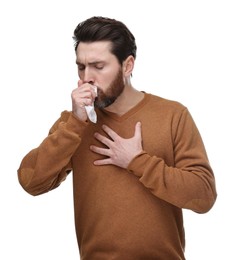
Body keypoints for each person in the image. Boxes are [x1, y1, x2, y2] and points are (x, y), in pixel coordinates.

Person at [18, 16, 217, 259]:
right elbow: (31, 182)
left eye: (98, 66)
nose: (87, 77)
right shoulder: (74, 124)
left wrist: (137, 161)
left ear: (127, 65)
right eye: (81, 66)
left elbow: (204, 196)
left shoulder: (173, 115)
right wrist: (75, 124)